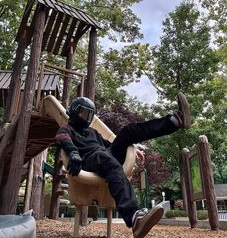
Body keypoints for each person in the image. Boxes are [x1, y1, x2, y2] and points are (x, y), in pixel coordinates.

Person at [55, 92, 191, 238]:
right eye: (84, 113)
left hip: (105, 155)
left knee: (127, 131)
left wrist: (130, 150)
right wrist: (74, 153)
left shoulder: (93, 132)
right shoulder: (67, 129)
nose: (87, 117)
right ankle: (135, 218)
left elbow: (110, 145)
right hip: (90, 160)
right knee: (106, 158)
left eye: (90, 114)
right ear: (75, 111)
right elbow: (61, 138)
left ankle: (174, 121)